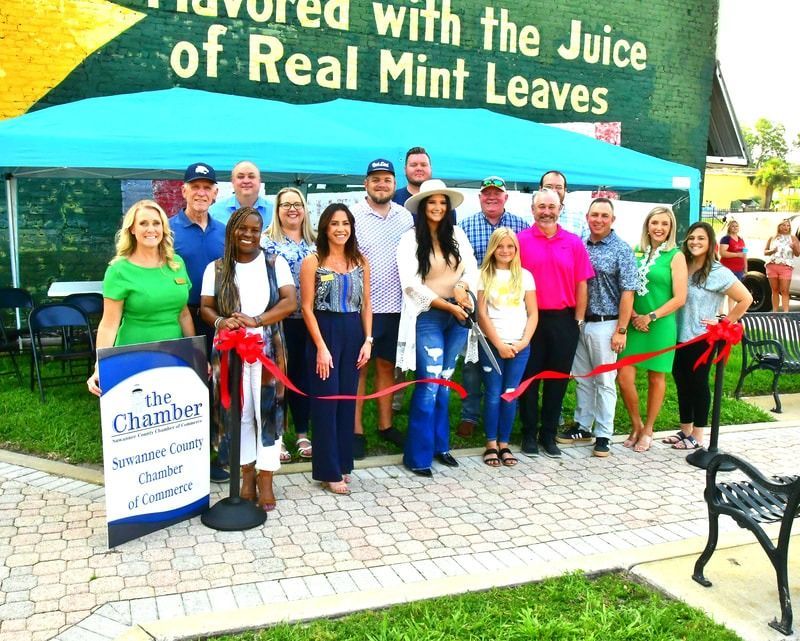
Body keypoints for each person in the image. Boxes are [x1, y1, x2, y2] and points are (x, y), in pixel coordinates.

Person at [199, 207, 296, 511]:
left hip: (267, 347)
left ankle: (266, 478)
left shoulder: (274, 263)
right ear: (231, 231)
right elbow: (206, 307)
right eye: (242, 228)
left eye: (255, 229)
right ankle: (246, 474)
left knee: (268, 410)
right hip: (230, 351)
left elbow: (289, 302)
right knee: (238, 412)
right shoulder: (216, 268)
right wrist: (220, 322)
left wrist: (257, 320)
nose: (248, 235)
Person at [396, 179, 478, 477]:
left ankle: (440, 446)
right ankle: (417, 455)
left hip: (457, 315)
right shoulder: (409, 240)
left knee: (445, 382)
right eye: (432, 202)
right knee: (429, 383)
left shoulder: (456, 234)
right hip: (429, 314)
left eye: (443, 203)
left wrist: (463, 288)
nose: (438, 207)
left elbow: (471, 268)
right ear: (422, 206)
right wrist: (448, 305)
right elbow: (411, 284)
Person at [557, 198, 638, 458]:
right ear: (587, 217)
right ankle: (583, 425)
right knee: (582, 377)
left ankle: (604, 433)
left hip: (607, 322)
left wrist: (621, 330)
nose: (599, 220)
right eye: (594, 215)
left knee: (604, 380)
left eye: (604, 215)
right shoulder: (579, 245)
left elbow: (628, 292)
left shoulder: (621, 249)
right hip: (580, 321)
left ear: (612, 220)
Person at [300, 204, 372, 495]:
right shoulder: (313, 261)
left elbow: (367, 304)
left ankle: (343, 463)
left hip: (354, 331)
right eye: (334, 224)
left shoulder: (361, 261)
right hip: (324, 331)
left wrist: (368, 340)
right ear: (325, 228)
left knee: (346, 401)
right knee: (326, 403)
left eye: (345, 223)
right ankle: (327, 470)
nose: (340, 228)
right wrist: (321, 346)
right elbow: (305, 307)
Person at [87, 200, 195, 395]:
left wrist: (195, 352)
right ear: (132, 230)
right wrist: (100, 365)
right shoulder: (119, 270)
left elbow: (184, 314)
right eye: (143, 223)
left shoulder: (176, 264)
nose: (151, 229)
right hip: (133, 356)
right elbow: (109, 324)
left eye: (156, 223)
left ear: (164, 228)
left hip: (174, 355)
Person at [517, 188, 594, 458]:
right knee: (529, 379)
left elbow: (581, 283)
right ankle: (528, 433)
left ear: (560, 208)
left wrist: (579, 320)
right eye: (541, 207)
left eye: (552, 206)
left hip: (564, 320)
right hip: (530, 321)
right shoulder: (520, 241)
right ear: (533, 209)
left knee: (557, 381)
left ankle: (548, 434)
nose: (546, 212)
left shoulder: (573, 242)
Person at [664, 222, 752, 450]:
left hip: (700, 337)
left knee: (698, 384)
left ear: (710, 242)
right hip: (677, 336)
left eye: (701, 238)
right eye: (691, 238)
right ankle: (685, 431)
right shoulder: (684, 265)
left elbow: (746, 299)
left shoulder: (717, 272)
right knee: (681, 382)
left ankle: (699, 436)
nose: (695, 242)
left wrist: (723, 322)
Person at [456, 176, 529, 438]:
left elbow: (524, 266)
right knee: (472, 363)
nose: (491, 198)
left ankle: (508, 417)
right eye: (486, 194)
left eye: (496, 194)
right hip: (475, 306)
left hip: (509, 306)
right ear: (480, 197)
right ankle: (470, 414)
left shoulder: (520, 226)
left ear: (505, 198)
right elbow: (460, 266)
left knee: (509, 369)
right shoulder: (465, 226)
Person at [351, 159, 413, 459]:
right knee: (360, 368)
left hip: (397, 307)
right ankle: (356, 430)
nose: (381, 184)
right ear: (366, 184)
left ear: (394, 183)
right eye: (375, 179)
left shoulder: (405, 217)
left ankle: (386, 426)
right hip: (362, 307)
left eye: (386, 179)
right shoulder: (352, 215)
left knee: (388, 366)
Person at [172, 162, 229, 483]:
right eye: (195, 186)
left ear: (216, 193)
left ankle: (217, 453)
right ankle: (185, 456)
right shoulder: (168, 230)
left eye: (207, 187)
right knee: (186, 386)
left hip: (218, 319)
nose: (201, 192)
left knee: (218, 386)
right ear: (184, 191)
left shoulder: (224, 231)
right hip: (182, 317)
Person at [618, 206, 687, 453]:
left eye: (664, 224)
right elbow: (625, 285)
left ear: (671, 229)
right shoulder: (636, 252)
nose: (659, 228)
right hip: (633, 322)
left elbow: (680, 297)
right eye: (655, 223)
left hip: (660, 324)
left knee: (656, 377)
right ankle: (636, 425)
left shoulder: (675, 256)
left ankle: (648, 429)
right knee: (624, 377)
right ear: (647, 225)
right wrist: (633, 315)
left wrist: (651, 316)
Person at [262, 187, 316, 464]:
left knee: (304, 376)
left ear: (304, 210)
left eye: (297, 204)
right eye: (286, 205)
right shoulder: (265, 243)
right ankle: (277, 435)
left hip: (309, 322)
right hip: (277, 321)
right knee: (279, 379)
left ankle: (303, 433)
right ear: (278, 209)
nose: (292, 209)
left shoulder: (316, 243)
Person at [476, 228, 537, 467]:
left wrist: (523, 342)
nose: (505, 251)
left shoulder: (525, 276)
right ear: (493, 248)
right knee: (493, 395)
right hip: (493, 345)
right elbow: (481, 313)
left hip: (519, 345)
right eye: (500, 246)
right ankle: (491, 443)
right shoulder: (483, 275)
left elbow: (532, 313)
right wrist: (499, 344)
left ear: (516, 249)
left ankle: (505, 443)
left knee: (510, 395)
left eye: (510, 246)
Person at [209, 160, 272, 226]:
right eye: (240, 177)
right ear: (232, 181)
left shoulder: (274, 212)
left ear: (259, 181)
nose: (246, 181)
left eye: (251, 176)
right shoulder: (214, 212)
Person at [764, 218, 799, 312]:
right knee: (775, 290)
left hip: (786, 266)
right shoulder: (772, 237)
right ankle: (775, 312)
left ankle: (786, 312)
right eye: (783, 225)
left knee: (784, 290)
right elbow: (765, 251)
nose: (786, 227)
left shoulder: (793, 238)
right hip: (772, 265)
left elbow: (797, 253)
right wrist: (772, 251)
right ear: (779, 226)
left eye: (788, 226)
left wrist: (794, 247)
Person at [718, 219, 747, 315]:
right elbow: (722, 253)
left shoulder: (741, 239)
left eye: (736, 226)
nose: (735, 228)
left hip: (739, 268)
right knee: (723, 289)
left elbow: (744, 254)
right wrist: (736, 255)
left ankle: (731, 311)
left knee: (734, 291)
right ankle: (721, 311)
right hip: (727, 267)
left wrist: (746, 267)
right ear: (729, 227)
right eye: (733, 226)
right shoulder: (726, 239)